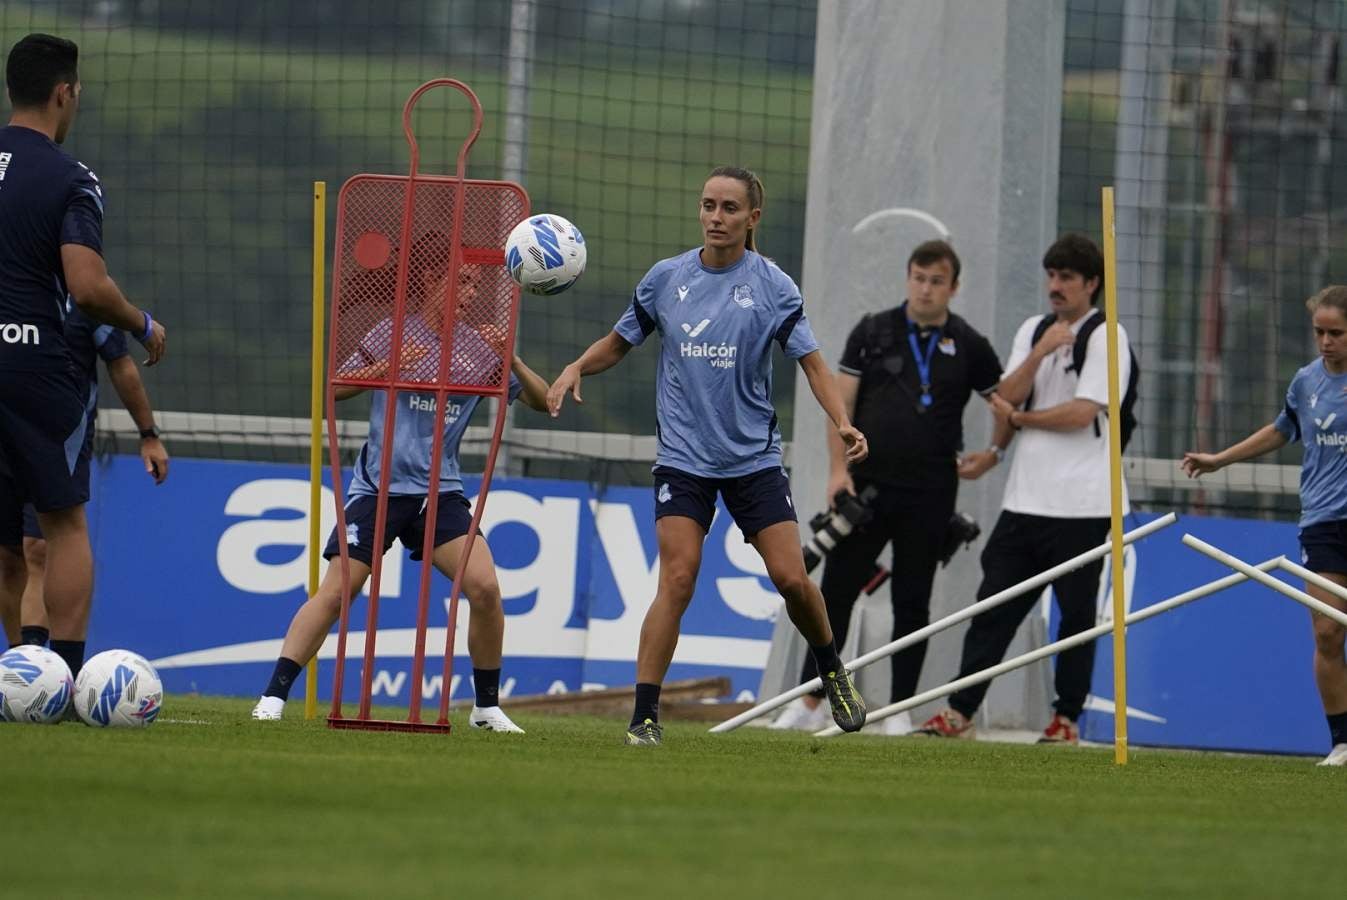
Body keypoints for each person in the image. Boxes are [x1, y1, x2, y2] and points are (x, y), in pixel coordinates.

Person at [547, 165, 870, 746]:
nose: (716, 217)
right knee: (677, 578)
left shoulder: (773, 286)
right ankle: (644, 716)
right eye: (708, 205)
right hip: (683, 459)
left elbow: (814, 365)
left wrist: (842, 421)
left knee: (791, 579)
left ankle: (830, 668)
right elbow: (618, 344)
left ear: (752, 218)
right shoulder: (665, 279)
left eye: (729, 208)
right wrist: (576, 366)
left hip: (753, 461)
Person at [251, 251, 546, 733]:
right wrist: (388, 368)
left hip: (440, 493)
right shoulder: (390, 333)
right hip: (379, 488)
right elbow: (334, 388)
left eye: (476, 285)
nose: (471, 293)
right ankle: (272, 696)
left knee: (486, 589)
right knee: (338, 591)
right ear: (432, 279)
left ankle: (486, 709)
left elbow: (543, 400)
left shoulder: (481, 349)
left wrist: (510, 356)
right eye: (462, 282)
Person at [770, 240, 1003, 735]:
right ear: (907, 278)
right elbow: (842, 406)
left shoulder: (969, 343)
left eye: (936, 281)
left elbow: (1003, 402)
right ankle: (810, 699)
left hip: (932, 491)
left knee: (913, 601)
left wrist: (994, 453)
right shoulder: (873, 331)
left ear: (954, 287)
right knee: (835, 592)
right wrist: (838, 473)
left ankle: (900, 707)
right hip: (867, 488)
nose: (925, 289)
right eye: (918, 278)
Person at [918, 233, 1131, 745]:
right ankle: (961, 711)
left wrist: (1019, 419)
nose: (1055, 286)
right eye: (1051, 276)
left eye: (1067, 278)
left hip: (1084, 503)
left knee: (1076, 617)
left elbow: (1082, 413)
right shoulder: (1035, 330)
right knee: (994, 605)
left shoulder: (1107, 335)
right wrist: (1038, 355)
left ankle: (1066, 719)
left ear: (1091, 284)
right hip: (1025, 500)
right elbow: (1004, 395)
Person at [0, 33, 166, 678]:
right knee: (63, 524)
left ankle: (20, 673)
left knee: (6, 548)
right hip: (33, 365)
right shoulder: (71, 178)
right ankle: (63, 676)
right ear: (64, 93)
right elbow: (88, 287)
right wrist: (142, 322)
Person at [1182, 286, 1347, 767]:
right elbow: (1281, 429)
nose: (1326, 342)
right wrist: (1220, 460)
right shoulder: (1306, 382)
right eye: (1319, 332)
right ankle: (1342, 741)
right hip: (1322, 523)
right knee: (1327, 633)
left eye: (1336, 333)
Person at [2, 302, 169, 650]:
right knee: (8, 555)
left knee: (38, 547)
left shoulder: (87, 298)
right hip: (7, 432)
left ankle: (44, 663)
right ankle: (20, 662)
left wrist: (148, 435)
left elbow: (121, 364)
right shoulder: (15, 293)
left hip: (60, 441)